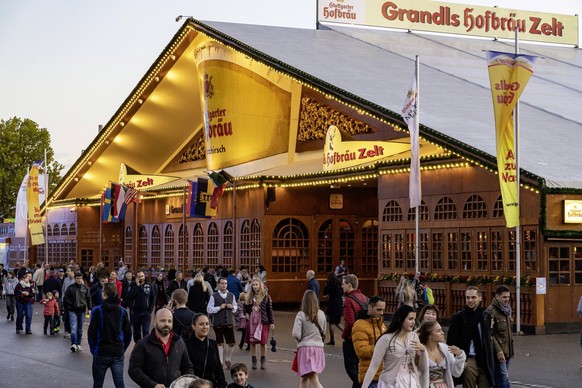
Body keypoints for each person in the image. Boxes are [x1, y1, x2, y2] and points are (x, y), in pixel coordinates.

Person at [361, 305, 427, 388]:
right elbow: (373, 366)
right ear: (400, 319)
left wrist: (423, 351)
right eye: (410, 319)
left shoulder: (414, 337)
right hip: (390, 382)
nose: (413, 322)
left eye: (414, 319)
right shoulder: (385, 339)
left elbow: (421, 367)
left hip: (411, 381)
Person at [129, 308, 193, 387]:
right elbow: (134, 369)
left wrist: (187, 383)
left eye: (169, 321)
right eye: (163, 321)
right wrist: (153, 385)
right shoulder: (142, 344)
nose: (166, 324)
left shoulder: (179, 342)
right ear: (155, 322)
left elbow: (187, 366)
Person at [447, 286, 494, 388]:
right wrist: (460, 358)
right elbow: (450, 340)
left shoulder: (486, 316)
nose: (470, 300)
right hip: (469, 359)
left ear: (480, 298)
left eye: (473, 297)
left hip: (484, 359)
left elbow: (489, 338)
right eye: (467, 298)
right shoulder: (458, 317)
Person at [88, 282, 132, 388]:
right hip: (117, 352)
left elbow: (91, 333)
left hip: (100, 352)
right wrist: (122, 348)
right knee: (119, 383)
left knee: (98, 384)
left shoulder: (97, 310)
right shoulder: (122, 311)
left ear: (105, 293)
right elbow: (128, 335)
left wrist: (94, 350)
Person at [182, 312, 227, 388]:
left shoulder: (213, 344)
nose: (205, 327)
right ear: (193, 326)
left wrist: (222, 385)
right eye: (201, 324)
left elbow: (218, 368)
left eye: (207, 324)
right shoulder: (186, 345)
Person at [292, 290, 326, 388]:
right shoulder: (322, 314)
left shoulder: (301, 314)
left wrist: (300, 341)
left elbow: (295, 333)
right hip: (318, 348)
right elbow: (324, 331)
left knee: (312, 377)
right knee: (304, 377)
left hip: (305, 348)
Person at [352, 296, 387, 387]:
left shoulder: (381, 324)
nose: (382, 313)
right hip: (370, 376)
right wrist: (382, 348)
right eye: (379, 310)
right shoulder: (360, 325)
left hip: (382, 376)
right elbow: (361, 351)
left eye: (383, 310)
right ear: (370, 307)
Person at [418, 320, 466, 388]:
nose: (442, 333)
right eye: (438, 331)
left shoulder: (445, 349)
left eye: (441, 330)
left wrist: (460, 356)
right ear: (429, 335)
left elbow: (456, 373)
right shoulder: (420, 350)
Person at [342, 274, 368, 388]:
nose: (342, 286)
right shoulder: (365, 298)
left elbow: (350, 322)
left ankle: (364, 384)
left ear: (349, 284)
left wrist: (344, 335)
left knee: (350, 368)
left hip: (352, 338)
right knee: (359, 366)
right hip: (364, 336)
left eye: (343, 284)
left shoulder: (348, 300)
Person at [486, 285, 514, 388]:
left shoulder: (507, 310)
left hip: (507, 350)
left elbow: (509, 332)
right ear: (497, 297)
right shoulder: (491, 311)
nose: (507, 299)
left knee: (500, 376)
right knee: (503, 376)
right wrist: (498, 350)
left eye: (508, 297)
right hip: (498, 351)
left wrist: (511, 350)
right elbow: (490, 333)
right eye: (504, 297)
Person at [244, 277, 275, 370]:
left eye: (256, 284)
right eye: (253, 285)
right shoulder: (249, 296)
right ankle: (254, 360)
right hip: (252, 322)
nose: (255, 286)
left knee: (263, 342)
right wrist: (246, 313)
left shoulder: (266, 296)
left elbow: (270, 310)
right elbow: (245, 307)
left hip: (263, 321)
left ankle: (263, 360)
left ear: (260, 285)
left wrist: (271, 322)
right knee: (252, 342)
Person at [207, 277, 238, 369]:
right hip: (218, 323)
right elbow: (209, 309)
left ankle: (228, 359)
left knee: (231, 343)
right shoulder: (214, 296)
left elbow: (235, 307)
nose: (224, 285)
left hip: (228, 322)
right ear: (218, 284)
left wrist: (231, 307)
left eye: (225, 283)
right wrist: (219, 308)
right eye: (222, 283)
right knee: (220, 343)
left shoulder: (231, 295)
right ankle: (220, 361)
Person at [124, 270, 157, 342]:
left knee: (146, 331)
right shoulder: (132, 285)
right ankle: (138, 347)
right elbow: (128, 298)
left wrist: (150, 310)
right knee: (136, 332)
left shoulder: (149, 285)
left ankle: (146, 347)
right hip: (135, 313)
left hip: (146, 313)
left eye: (142, 276)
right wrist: (137, 286)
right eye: (139, 277)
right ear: (136, 278)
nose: (141, 278)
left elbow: (153, 298)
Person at [64, 271, 92, 351]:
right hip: (72, 310)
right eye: (77, 278)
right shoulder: (71, 287)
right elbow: (66, 298)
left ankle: (78, 344)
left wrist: (90, 308)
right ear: (75, 279)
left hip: (82, 310)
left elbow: (89, 298)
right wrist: (71, 304)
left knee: (80, 329)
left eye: (80, 278)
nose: (79, 280)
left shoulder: (85, 288)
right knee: (73, 327)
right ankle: (73, 343)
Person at [322, 272, 343, 345]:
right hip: (339, 304)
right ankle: (347, 334)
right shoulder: (339, 284)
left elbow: (325, 293)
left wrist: (326, 286)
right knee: (337, 322)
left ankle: (332, 339)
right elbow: (342, 293)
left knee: (331, 322)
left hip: (332, 304)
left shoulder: (330, 284)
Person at [61, 267, 76, 338]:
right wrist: (63, 297)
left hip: (74, 301)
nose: (67, 272)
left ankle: (73, 331)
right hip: (66, 300)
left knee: (73, 316)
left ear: (73, 272)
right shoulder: (66, 279)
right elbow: (63, 289)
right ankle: (67, 330)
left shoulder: (77, 279)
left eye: (68, 271)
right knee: (67, 316)